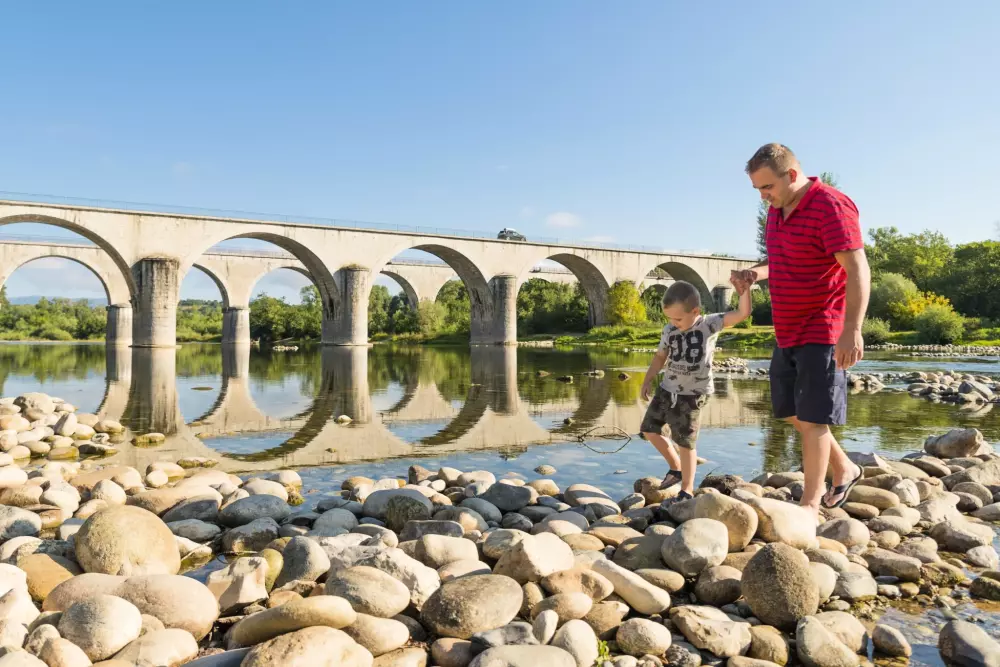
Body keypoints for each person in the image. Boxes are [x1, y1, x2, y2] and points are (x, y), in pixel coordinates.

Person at [732, 143, 871, 521]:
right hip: (787, 330)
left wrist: (851, 330)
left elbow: (858, 268)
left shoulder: (831, 205)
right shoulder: (777, 212)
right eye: (758, 190)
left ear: (791, 175)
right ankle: (844, 469)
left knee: (813, 419)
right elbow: (777, 262)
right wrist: (753, 274)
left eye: (767, 188)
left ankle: (811, 506)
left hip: (823, 327)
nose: (763, 197)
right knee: (790, 410)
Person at [640, 279, 752, 500]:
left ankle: (687, 489)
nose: (673, 322)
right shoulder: (669, 329)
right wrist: (647, 379)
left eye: (678, 318)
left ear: (695, 311)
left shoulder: (709, 324)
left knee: (685, 441)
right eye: (670, 318)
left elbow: (742, 313)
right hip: (667, 388)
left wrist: (745, 291)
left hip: (693, 394)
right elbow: (660, 356)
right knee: (649, 429)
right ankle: (676, 468)